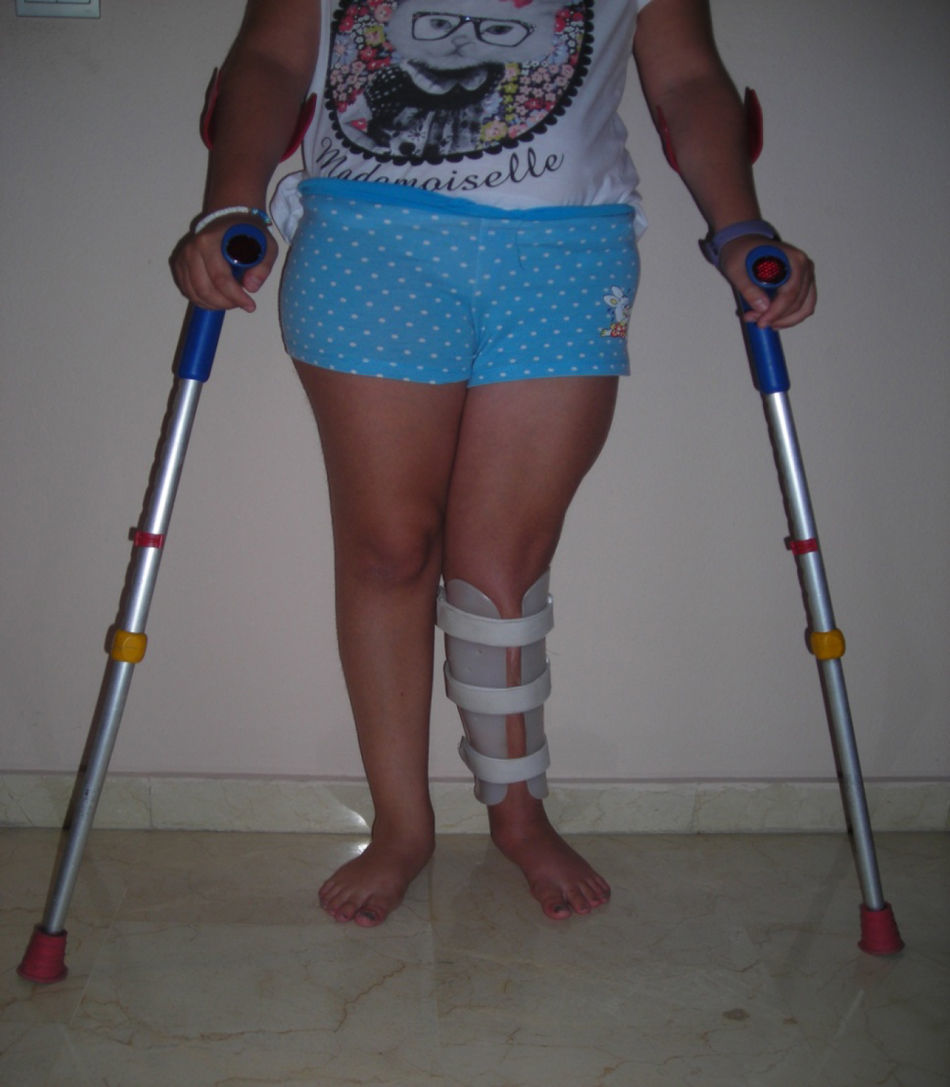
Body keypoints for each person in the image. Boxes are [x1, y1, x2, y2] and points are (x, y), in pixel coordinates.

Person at [172, 0, 816, 927]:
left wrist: (741, 227)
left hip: (565, 248)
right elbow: (272, 58)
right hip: (371, 237)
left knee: (500, 568)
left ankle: (519, 814)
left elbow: (687, 78)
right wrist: (232, 202)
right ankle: (402, 825)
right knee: (390, 549)